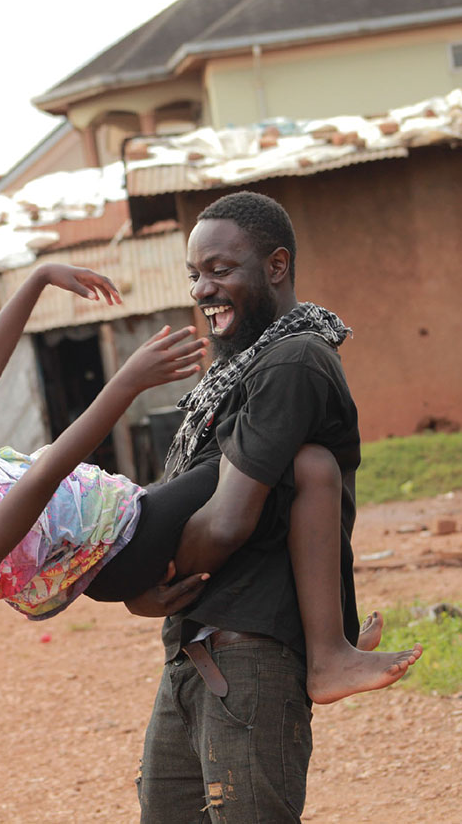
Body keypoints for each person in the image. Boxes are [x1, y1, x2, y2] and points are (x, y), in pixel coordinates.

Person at [0, 260, 418, 709]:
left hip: (123, 513)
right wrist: (124, 383)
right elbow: (39, 481)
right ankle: (328, 658)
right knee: (295, 463)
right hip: (120, 546)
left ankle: (327, 644)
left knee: (286, 473)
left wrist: (35, 280)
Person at [125, 191, 417, 823]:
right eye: (194, 274)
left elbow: (228, 522)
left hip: (249, 657)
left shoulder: (291, 361)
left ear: (277, 266)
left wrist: (149, 577)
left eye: (221, 269)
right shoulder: (231, 373)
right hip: (191, 656)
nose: (203, 289)